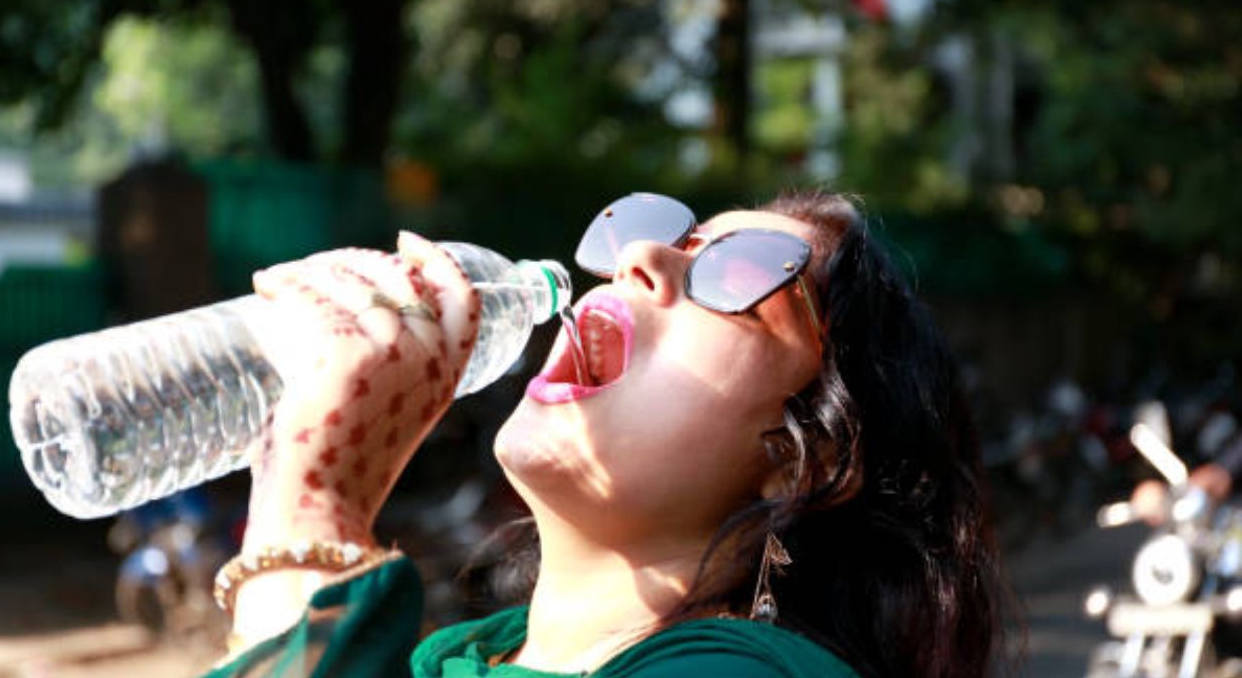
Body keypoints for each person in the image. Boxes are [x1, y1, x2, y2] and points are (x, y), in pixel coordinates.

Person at [205, 190, 1007, 678]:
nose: (641, 258)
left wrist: (306, 512)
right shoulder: (440, 660)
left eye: (737, 274)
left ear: (807, 456)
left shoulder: (750, 676)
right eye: (660, 236)